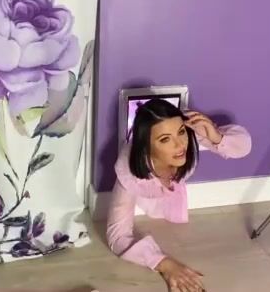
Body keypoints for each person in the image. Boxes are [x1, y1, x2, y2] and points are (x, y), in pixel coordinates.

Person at [106, 98, 252, 292]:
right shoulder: (129, 172)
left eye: (181, 132)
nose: (180, 144)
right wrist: (164, 264)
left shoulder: (189, 136)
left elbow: (243, 147)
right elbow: (118, 238)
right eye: (165, 139)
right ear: (146, 146)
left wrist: (215, 136)